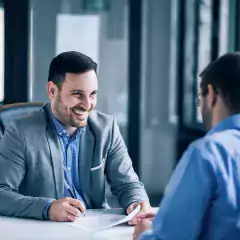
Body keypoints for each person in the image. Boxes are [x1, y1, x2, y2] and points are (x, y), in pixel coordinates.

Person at [0, 51, 152, 222]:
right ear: (52, 90)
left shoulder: (106, 128)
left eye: (92, 94)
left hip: (95, 230)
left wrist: (137, 202)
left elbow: (128, 184)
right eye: (78, 94)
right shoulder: (20, 132)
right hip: (45, 230)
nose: (88, 105)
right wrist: (47, 208)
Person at [134, 52, 240, 240]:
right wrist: (170, 217)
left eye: (200, 98)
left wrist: (145, 235)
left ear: (212, 95)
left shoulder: (209, 153)